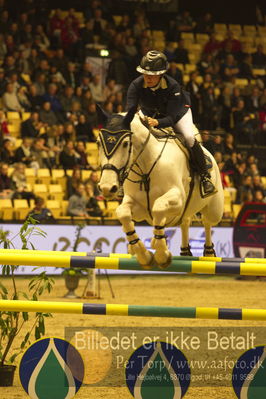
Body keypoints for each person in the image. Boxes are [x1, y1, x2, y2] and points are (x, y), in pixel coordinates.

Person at [126, 50, 215, 198]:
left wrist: (157, 122)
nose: (147, 77)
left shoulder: (173, 87)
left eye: (152, 75)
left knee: (188, 137)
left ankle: (205, 177)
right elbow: (130, 110)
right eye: (145, 73)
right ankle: (126, 178)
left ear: (160, 74)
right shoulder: (135, 85)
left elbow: (172, 118)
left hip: (178, 113)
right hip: (150, 112)